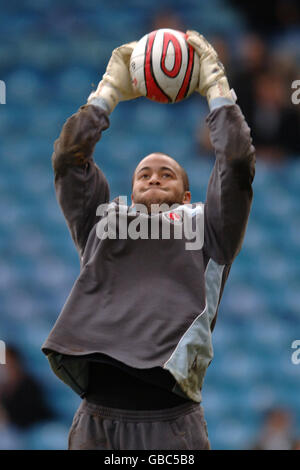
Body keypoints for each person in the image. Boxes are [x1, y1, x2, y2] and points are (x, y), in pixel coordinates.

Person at [42, 30, 256, 450]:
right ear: (130, 190)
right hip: (96, 419)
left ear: (189, 196)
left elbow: (235, 161)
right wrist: (108, 94)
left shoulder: (210, 227)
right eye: (144, 174)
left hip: (170, 421)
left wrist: (216, 89)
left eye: (167, 173)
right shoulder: (102, 220)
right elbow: (69, 159)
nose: (154, 176)